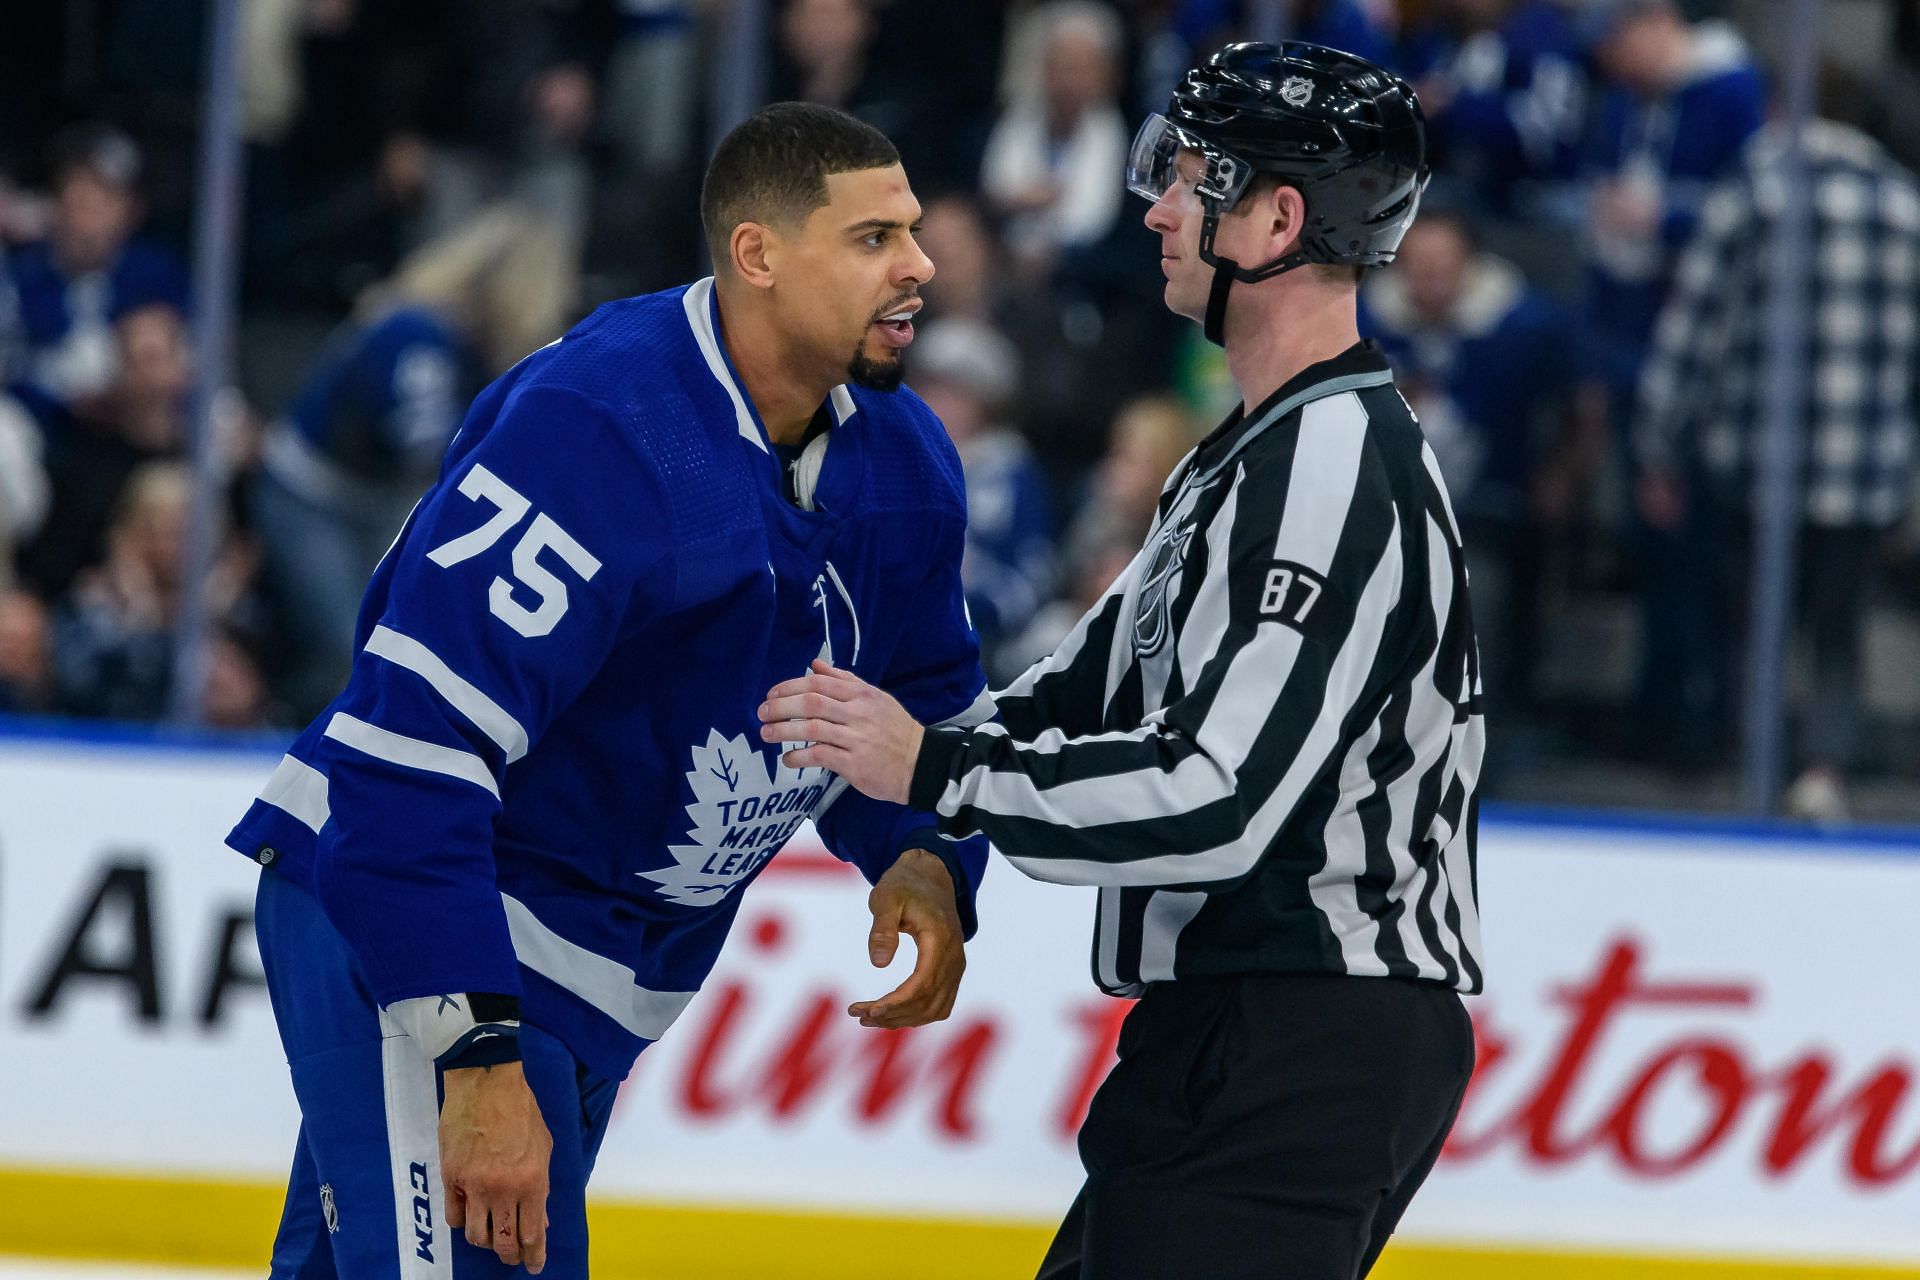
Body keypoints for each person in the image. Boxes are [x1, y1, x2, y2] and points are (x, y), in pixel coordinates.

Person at [225, 102, 993, 1278]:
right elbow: (409, 756)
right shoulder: (598, 431)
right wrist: (474, 1054)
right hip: (430, 922)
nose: (921, 265)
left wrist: (926, 855)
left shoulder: (905, 461)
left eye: (916, 231)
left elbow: (922, 695)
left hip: (592, 980)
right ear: (759, 256)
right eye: (875, 236)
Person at [761, 43, 1484, 1278]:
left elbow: (1218, 793)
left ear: (1276, 217)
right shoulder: (1250, 453)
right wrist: (927, 806)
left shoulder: (1330, 468)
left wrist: (935, 767)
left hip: (1303, 1030)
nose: (1154, 206)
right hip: (1242, 1028)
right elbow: (1080, 691)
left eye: (1189, 177)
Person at [1633, 116, 1920, 822]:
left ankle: (1754, 766)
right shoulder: (1906, 204)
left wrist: (1658, 441)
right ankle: (1824, 769)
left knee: (1756, 624)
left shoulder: (1757, 191)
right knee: (1839, 627)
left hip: (1762, 461)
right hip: (1864, 466)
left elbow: (1695, 325)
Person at [252, 205, 574, 715]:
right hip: (311, 497)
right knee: (353, 643)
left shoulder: (467, 348)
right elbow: (425, 449)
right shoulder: (414, 334)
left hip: (380, 500)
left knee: (410, 640)